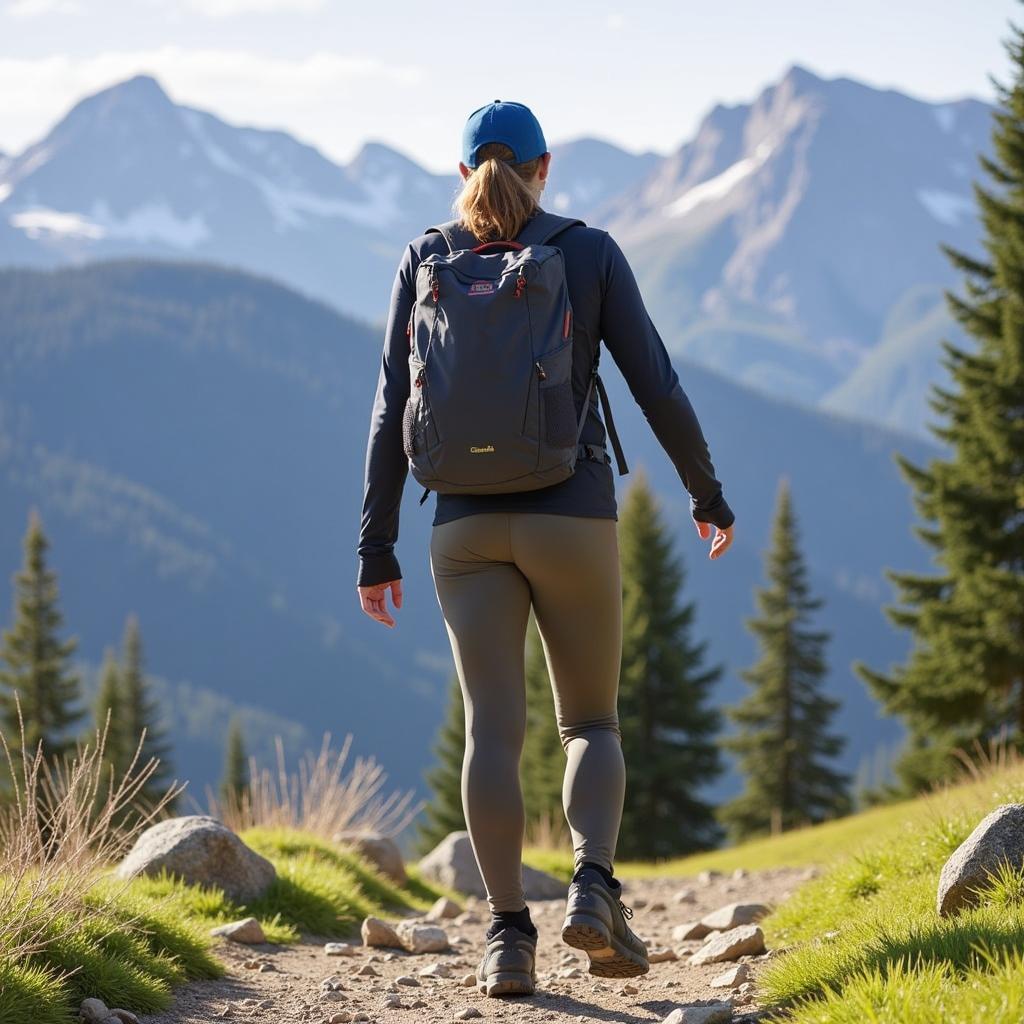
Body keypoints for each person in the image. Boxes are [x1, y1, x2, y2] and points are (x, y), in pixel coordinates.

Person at [356, 100, 735, 997]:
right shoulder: (590, 251)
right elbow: (656, 384)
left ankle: (505, 939)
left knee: (493, 727)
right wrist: (706, 493)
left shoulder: (427, 256)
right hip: (572, 512)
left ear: (463, 176)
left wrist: (377, 545)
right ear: (545, 166)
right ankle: (593, 887)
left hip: (462, 527)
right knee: (589, 722)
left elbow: (387, 407)